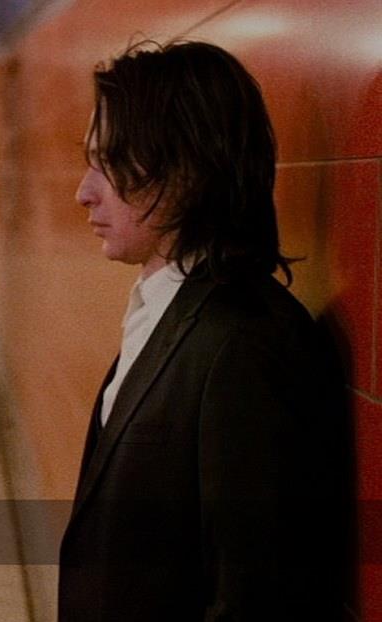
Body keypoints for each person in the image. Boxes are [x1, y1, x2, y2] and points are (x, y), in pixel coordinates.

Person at [58, 41, 348, 620]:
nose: (84, 192)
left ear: (186, 170)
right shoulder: (166, 307)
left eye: (109, 163)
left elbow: (257, 599)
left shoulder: (246, 345)